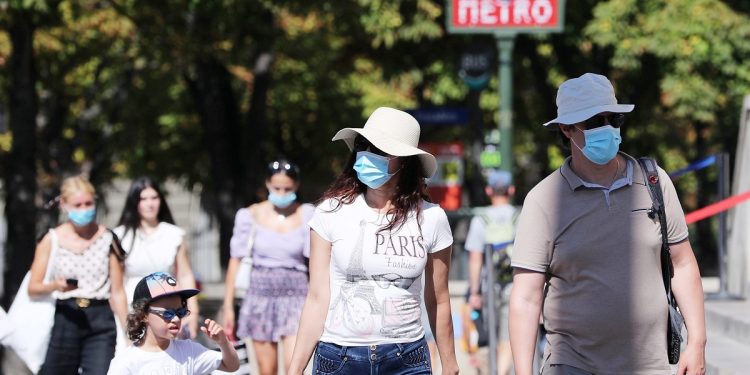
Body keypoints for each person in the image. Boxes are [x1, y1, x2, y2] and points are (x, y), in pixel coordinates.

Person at [509, 73, 707, 375]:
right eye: (593, 121)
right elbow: (526, 297)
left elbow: (683, 265)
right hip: (573, 364)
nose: (607, 129)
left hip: (649, 365)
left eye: (613, 119)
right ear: (566, 129)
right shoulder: (544, 199)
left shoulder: (654, 181)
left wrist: (698, 341)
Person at [288, 107, 460, 375]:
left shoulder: (432, 218)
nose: (368, 155)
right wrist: (294, 369)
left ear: (405, 160)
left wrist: (450, 365)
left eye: (380, 149)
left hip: (407, 358)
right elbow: (317, 297)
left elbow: (438, 298)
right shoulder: (329, 212)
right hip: (339, 357)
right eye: (363, 146)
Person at [27, 175, 129, 374]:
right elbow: (33, 287)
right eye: (78, 204)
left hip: (100, 317)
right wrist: (56, 285)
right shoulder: (51, 239)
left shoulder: (108, 238)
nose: (84, 209)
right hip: (66, 315)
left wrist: (129, 332)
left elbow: (117, 292)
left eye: (88, 203)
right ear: (64, 205)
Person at [222, 159, 314, 375]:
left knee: (296, 367)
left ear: (297, 186)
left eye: (287, 189)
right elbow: (235, 260)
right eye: (276, 188)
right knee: (266, 371)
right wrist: (228, 305)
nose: (282, 193)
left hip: (297, 297)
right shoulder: (250, 215)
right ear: (267, 184)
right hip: (260, 298)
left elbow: (317, 260)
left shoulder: (307, 214)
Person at [114, 177, 200, 338]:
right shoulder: (120, 236)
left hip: (169, 313)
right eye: (143, 199)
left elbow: (185, 274)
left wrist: (192, 313)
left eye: (154, 198)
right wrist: (126, 323)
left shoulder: (175, 235)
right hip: (131, 311)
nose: (150, 204)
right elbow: (116, 288)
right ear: (134, 202)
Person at [107, 271, 239, 374]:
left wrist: (223, 342)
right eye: (167, 313)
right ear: (143, 315)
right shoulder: (125, 363)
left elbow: (231, 366)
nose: (176, 319)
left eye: (180, 312)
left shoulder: (189, 351)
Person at [464, 169, 517, 375]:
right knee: (509, 336)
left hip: (488, 287)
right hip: (514, 286)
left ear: (488, 191)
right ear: (511, 190)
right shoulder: (518, 218)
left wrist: (474, 292)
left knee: (489, 337)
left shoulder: (481, 220)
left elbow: (475, 258)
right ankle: (502, 372)